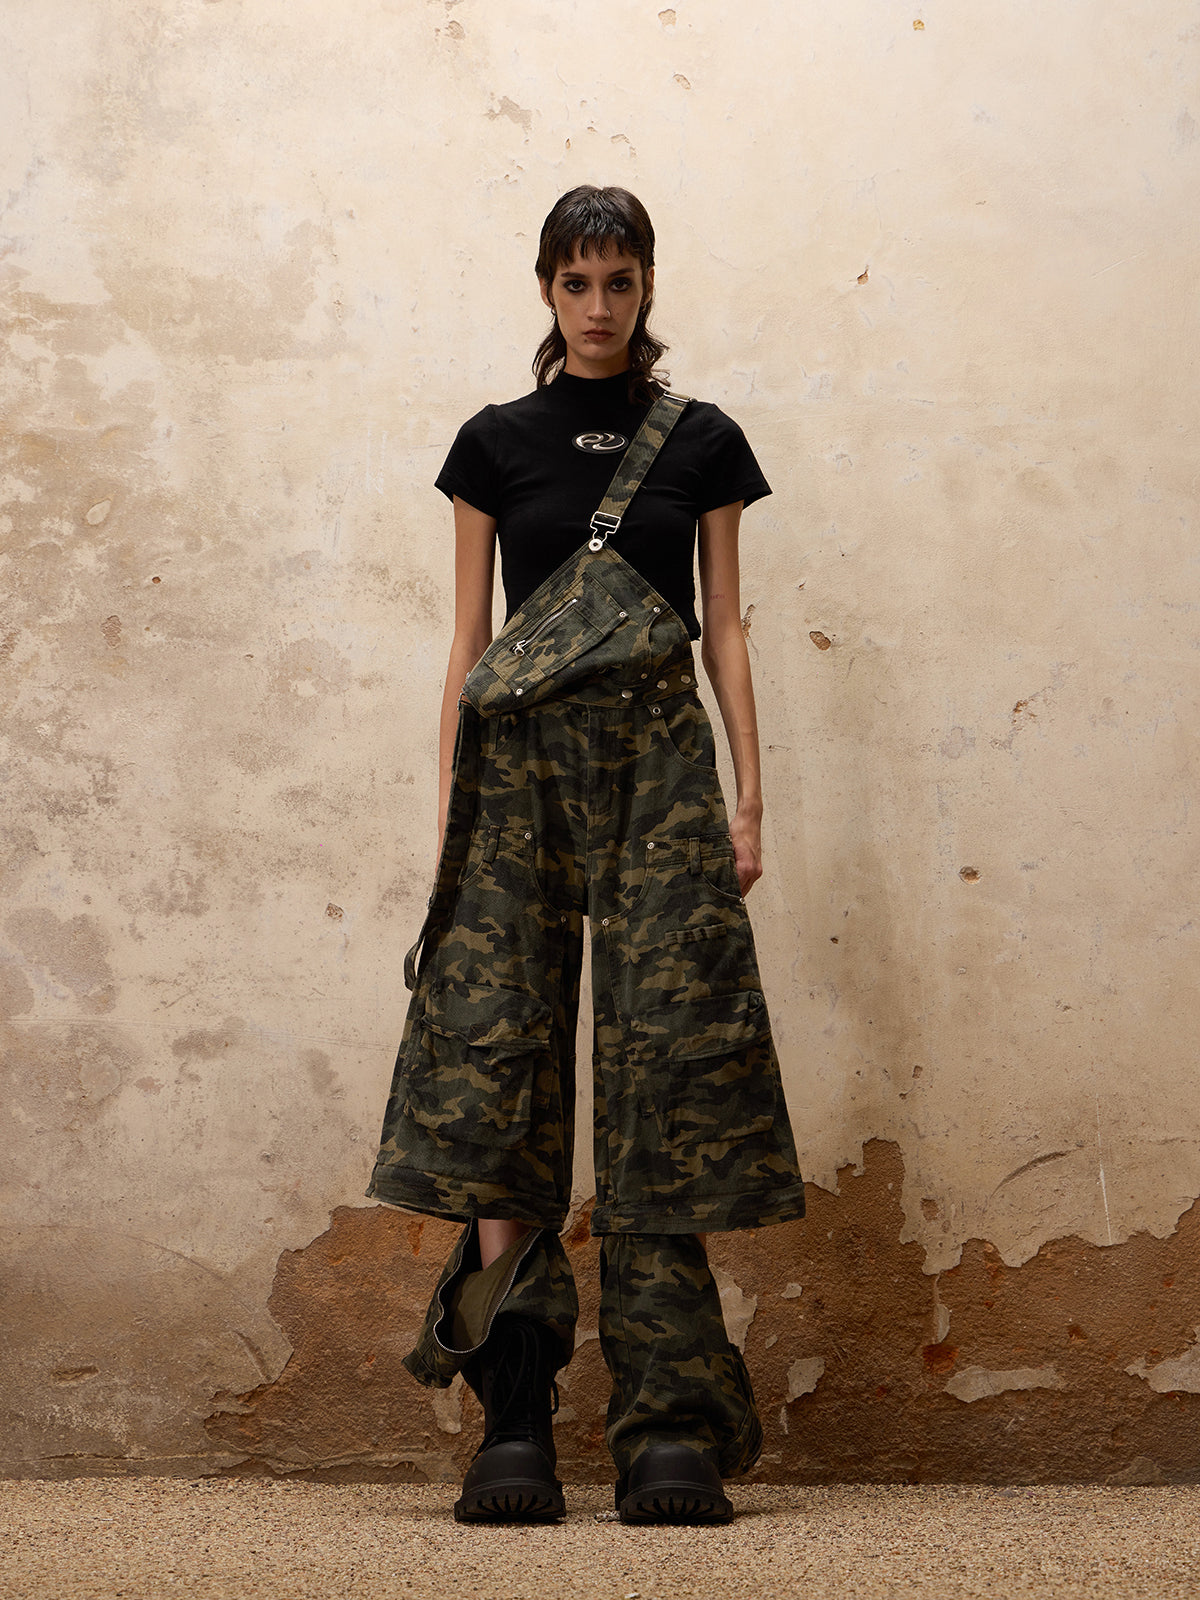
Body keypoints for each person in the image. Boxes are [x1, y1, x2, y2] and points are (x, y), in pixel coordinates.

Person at [368, 185, 805, 1525]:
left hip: (663, 772)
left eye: (620, 281)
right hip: (516, 774)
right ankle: (514, 1419)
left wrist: (749, 799)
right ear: (547, 289)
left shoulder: (703, 439)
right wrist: (452, 799)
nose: (599, 305)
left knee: (666, 1066)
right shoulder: (493, 444)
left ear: (647, 285)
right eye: (577, 282)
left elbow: (724, 627)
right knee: (497, 1059)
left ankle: (668, 1422)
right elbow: (470, 638)